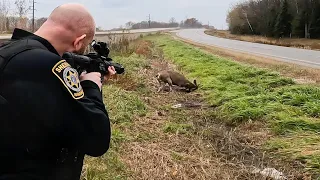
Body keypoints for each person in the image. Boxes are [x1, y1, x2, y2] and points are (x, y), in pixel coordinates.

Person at [0, 3, 115, 180]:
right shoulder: (51, 65)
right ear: (78, 41)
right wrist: (92, 85)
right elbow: (97, 138)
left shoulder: (8, 51)